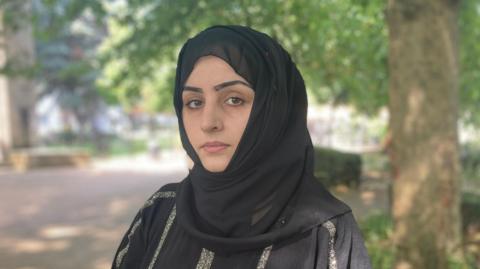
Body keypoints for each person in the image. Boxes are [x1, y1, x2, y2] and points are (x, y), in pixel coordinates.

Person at [112, 25, 372, 269]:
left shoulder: (326, 233)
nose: (208, 123)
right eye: (194, 102)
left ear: (275, 110)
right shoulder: (160, 210)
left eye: (234, 99)